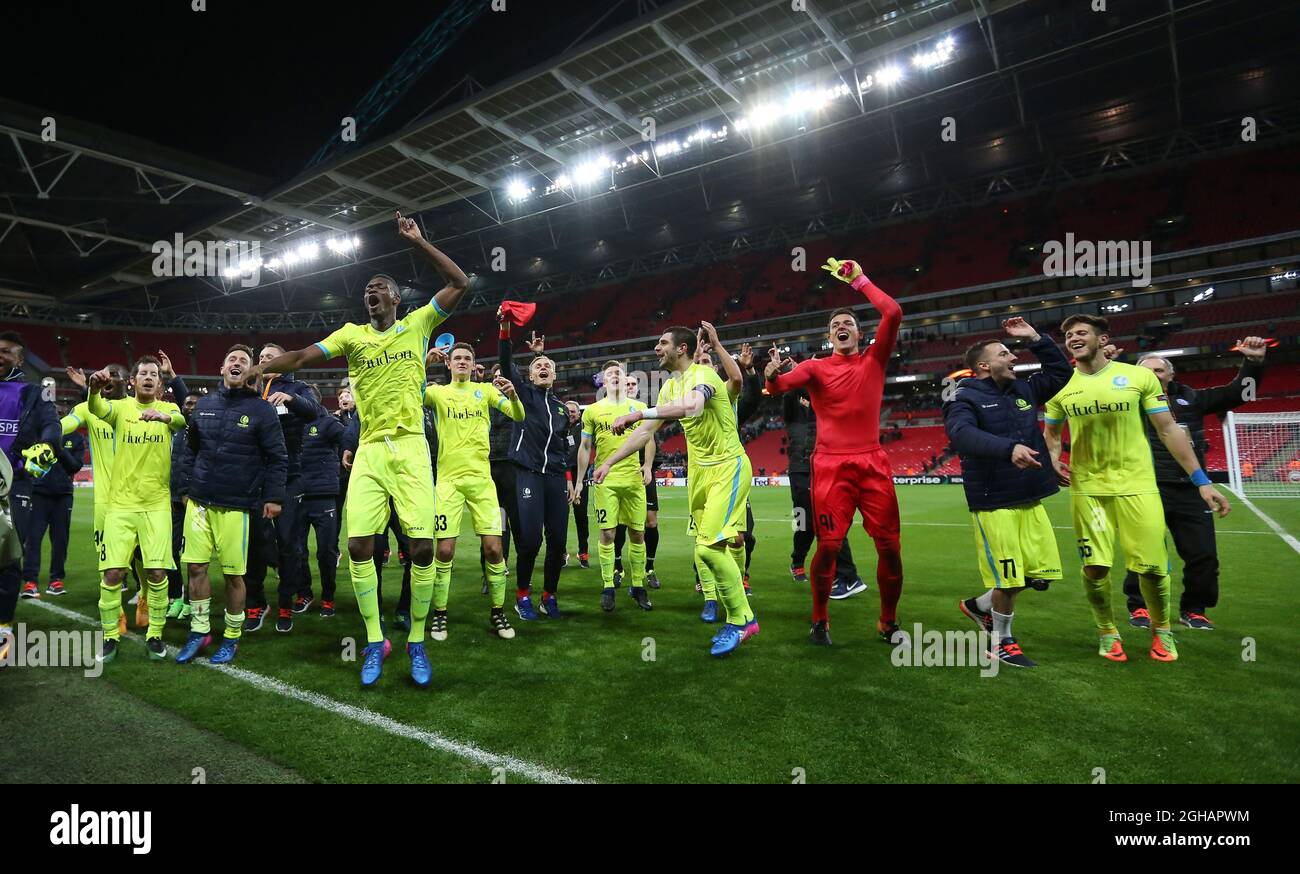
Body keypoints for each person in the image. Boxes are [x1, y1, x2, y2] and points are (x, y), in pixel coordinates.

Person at [253, 211, 469, 687]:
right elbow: (305, 355)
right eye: (365, 290)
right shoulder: (351, 336)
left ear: (394, 296)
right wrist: (263, 370)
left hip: (411, 448)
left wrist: (418, 241)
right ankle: (375, 639)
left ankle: (415, 640)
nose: (369, 294)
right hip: (371, 449)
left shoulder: (417, 325)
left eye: (377, 288)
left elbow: (459, 281)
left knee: (422, 549)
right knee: (357, 544)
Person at [1043, 314, 1231, 663]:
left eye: (1081, 332)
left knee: (1152, 567)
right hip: (1088, 491)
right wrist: (1053, 458)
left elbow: (1169, 430)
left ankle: (1162, 631)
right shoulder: (1062, 388)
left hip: (1139, 486)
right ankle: (1107, 631)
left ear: (1103, 339)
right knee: (1095, 568)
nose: (1073, 338)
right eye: (1068, 334)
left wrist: (1202, 481)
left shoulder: (1138, 377)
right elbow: (1052, 433)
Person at [764, 258, 906, 646]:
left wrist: (859, 280)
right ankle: (820, 619)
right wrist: (771, 374)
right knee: (827, 545)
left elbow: (892, 311)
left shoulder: (875, 359)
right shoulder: (815, 367)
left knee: (890, 549)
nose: (841, 327)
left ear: (860, 334)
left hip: (872, 462)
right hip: (830, 466)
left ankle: (888, 622)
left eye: (848, 324)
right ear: (829, 337)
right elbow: (778, 387)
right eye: (834, 326)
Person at [596, 326, 757, 657]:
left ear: (681, 348)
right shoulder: (669, 387)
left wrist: (640, 411)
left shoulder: (705, 375)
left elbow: (693, 406)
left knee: (712, 548)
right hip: (699, 474)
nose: (657, 348)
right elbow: (644, 433)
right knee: (705, 549)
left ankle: (742, 620)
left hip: (727, 467)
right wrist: (609, 461)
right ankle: (726, 609)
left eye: (663, 343)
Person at [942, 318, 1073, 666]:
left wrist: (1035, 338)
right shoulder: (962, 396)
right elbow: (961, 435)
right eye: (1005, 353)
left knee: (1036, 573)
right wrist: (1007, 449)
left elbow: (1062, 374)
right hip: (994, 501)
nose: (1013, 357)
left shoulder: (1024, 389)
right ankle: (1000, 640)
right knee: (1009, 577)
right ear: (984, 365)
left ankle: (978, 606)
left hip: (1030, 496)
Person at [1117, 338, 1267, 631]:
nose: (1153, 376)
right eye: (1146, 372)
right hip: (1147, 489)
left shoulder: (1192, 399)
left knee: (1203, 555)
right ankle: (1139, 607)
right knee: (1144, 554)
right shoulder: (1127, 405)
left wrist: (1253, 363)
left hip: (1190, 489)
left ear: (1171, 375)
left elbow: (1239, 394)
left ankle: (1195, 609)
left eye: (1159, 371)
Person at [175, 345, 288, 665]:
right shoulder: (206, 404)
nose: (237, 363)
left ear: (250, 371)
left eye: (243, 361)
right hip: (198, 502)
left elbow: (277, 457)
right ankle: (199, 631)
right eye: (232, 360)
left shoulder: (262, 409)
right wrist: (185, 488)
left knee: (234, 576)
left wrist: (274, 497)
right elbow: (190, 451)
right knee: (195, 568)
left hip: (236, 504)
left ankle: (232, 636)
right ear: (221, 369)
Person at [84, 357, 187, 663]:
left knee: (156, 572)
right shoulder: (120, 408)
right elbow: (97, 409)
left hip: (156, 506)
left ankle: (155, 634)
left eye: (153, 374)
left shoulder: (168, 409)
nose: (148, 377)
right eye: (142, 373)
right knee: (113, 573)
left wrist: (164, 419)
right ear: (132, 381)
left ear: (159, 382)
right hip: (121, 506)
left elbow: (182, 421)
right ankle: (110, 636)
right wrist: (92, 391)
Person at [424, 343, 525, 641]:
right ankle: (440, 614)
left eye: (468, 358)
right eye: (457, 358)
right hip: (448, 481)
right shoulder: (438, 393)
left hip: (482, 481)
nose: (463, 362)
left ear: (473, 364)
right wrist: (424, 363)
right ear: (449, 364)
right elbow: (410, 390)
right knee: (444, 550)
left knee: (494, 549)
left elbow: (518, 416)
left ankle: (498, 611)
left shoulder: (486, 391)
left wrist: (513, 395)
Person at [243, 342, 321, 633]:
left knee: (289, 544)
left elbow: (314, 412)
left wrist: (289, 399)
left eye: (270, 357)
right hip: (256, 478)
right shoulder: (250, 390)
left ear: (284, 362)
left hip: (289, 476)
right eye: (260, 357)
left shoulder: (297, 387)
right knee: (255, 545)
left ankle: (286, 602)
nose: (263, 361)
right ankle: (256, 603)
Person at [496, 320, 572, 620]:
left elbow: (563, 449)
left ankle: (549, 595)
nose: (543, 368)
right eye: (538, 365)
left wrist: (568, 480)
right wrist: (505, 330)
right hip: (528, 473)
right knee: (529, 539)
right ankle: (522, 594)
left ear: (554, 375)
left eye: (548, 366)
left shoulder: (562, 409)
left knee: (558, 541)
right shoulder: (524, 395)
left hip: (554, 478)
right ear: (530, 373)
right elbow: (505, 362)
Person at [575, 361, 654, 612]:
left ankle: (638, 585)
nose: (615, 377)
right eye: (610, 374)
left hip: (632, 479)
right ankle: (608, 585)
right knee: (608, 534)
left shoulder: (639, 408)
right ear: (603, 382)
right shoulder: (593, 411)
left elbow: (649, 438)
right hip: (605, 480)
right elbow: (585, 447)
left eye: (619, 373)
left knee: (638, 534)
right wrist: (579, 480)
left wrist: (648, 465)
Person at [0, 331, 60, 649]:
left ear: (20, 359)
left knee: (8, 558)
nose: (0, 355)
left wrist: (47, 444)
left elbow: (52, 423)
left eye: (7, 352)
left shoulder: (33, 393)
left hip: (15, 485)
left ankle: (3, 627)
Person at [782, 388, 862, 598]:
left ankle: (843, 574)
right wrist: (797, 376)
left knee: (828, 521)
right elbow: (788, 395)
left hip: (826, 469)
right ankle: (798, 561)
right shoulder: (793, 412)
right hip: (801, 471)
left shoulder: (822, 410)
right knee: (804, 523)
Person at [294, 384, 346, 618]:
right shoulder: (291, 425)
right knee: (297, 550)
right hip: (296, 495)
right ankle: (304, 593)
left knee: (326, 551)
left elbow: (348, 439)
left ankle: (328, 597)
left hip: (323, 495)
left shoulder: (328, 423)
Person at [166, 391, 201, 619]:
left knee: (192, 556)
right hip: (173, 501)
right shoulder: (177, 431)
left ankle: (191, 601)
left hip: (194, 501)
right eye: (187, 403)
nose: (190, 407)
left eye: (195, 404)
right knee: (171, 552)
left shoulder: (205, 432)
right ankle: (176, 598)